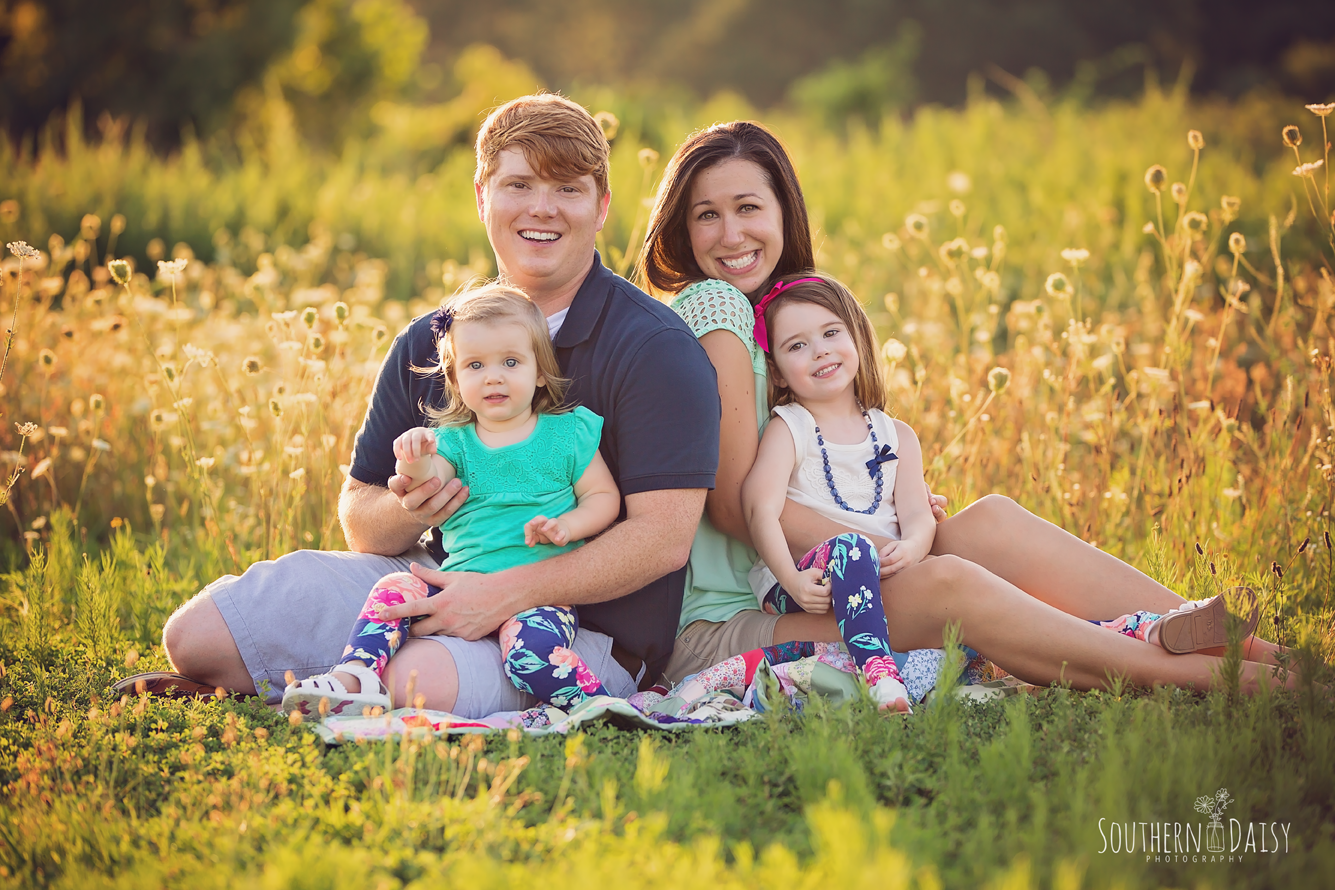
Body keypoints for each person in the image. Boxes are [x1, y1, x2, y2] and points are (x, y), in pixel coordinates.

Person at [639, 120, 1294, 695]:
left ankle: (1256, 649)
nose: (730, 234)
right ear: (680, 225)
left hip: (817, 573)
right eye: (705, 215)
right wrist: (897, 546)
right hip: (727, 619)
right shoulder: (715, 307)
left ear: (785, 211)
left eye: (748, 207)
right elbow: (733, 505)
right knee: (949, 579)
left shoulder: (781, 320)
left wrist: (897, 515)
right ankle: (1229, 678)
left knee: (989, 525)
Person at [159, 94, 722, 716]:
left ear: (602, 207)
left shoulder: (655, 347)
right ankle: (328, 675)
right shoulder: (432, 341)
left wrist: (500, 595)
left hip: (581, 635)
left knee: (413, 680)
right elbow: (361, 516)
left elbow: (662, 540)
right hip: (439, 581)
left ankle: (341, 679)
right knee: (195, 637)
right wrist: (411, 506)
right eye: (519, 184)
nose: (541, 208)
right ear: (482, 196)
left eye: (567, 188)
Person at [281, 285, 621, 716]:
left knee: (530, 653)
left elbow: (603, 496)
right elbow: (431, 481)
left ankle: (594, 704)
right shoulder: (454, 442)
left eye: (511, 362)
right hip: (459, 582)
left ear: (539, 371)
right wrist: (417, 459)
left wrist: (568, 527)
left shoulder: (567, 433)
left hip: (540, 595)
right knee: (392, 589)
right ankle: (355, 675)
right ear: (456, 379)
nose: (493, 376)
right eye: (475, 365)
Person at [742, 273, 929, 712]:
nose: (820, 350)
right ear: (777, 371)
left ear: (858, 337)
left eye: (830, 333)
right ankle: (879, 674)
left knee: (965, 601)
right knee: (853, 548)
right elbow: (759, 510)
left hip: (883, 574)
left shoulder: (897, 435)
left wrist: (915, 546)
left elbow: (918, 513)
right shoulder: (790, 427)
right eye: (797, 345)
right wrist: (791, 578)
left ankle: (1098, 629)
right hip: (809, 578)